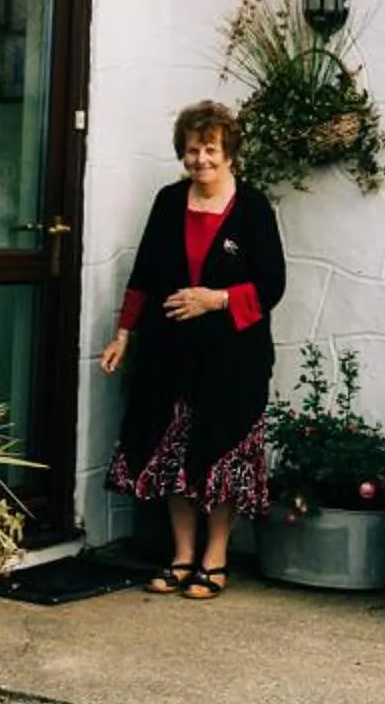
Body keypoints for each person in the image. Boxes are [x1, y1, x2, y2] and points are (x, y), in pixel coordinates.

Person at [98, 100, 286, 599]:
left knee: (220, 453)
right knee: (171, 450)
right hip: (168, 354)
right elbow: (141, 277)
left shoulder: (254, 208)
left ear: (230, 155)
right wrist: (123, 333)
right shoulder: (167, 202)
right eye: (191, 151)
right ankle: (182, 556)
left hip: (233, 360)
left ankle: (215, 558)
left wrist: (215, 300)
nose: (200, 160)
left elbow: (272, 285)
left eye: (210, 150)